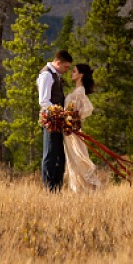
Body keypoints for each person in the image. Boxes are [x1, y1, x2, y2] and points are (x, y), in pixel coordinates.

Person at [63, 63, 103, 192]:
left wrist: (74, 118)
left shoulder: (79, 92)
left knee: (78, 158)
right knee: (74, 159)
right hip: (69, 131)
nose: (71, 73)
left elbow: (88, 108)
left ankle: (88, 189)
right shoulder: (76, 91)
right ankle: (81, 190)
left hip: (72, 132)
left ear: (81, 75)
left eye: (74, 71)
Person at [38, 50, 72, 191]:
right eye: (66, 67)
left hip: (58, 121)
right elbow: (44, 101)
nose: (67, 70)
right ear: (58, 63)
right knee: (50, 154)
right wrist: (60, 113)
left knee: (59, 155)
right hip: (51, 121)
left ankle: (57, 187)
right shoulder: (46, 75)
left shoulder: (55, 75)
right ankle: (49, 188)